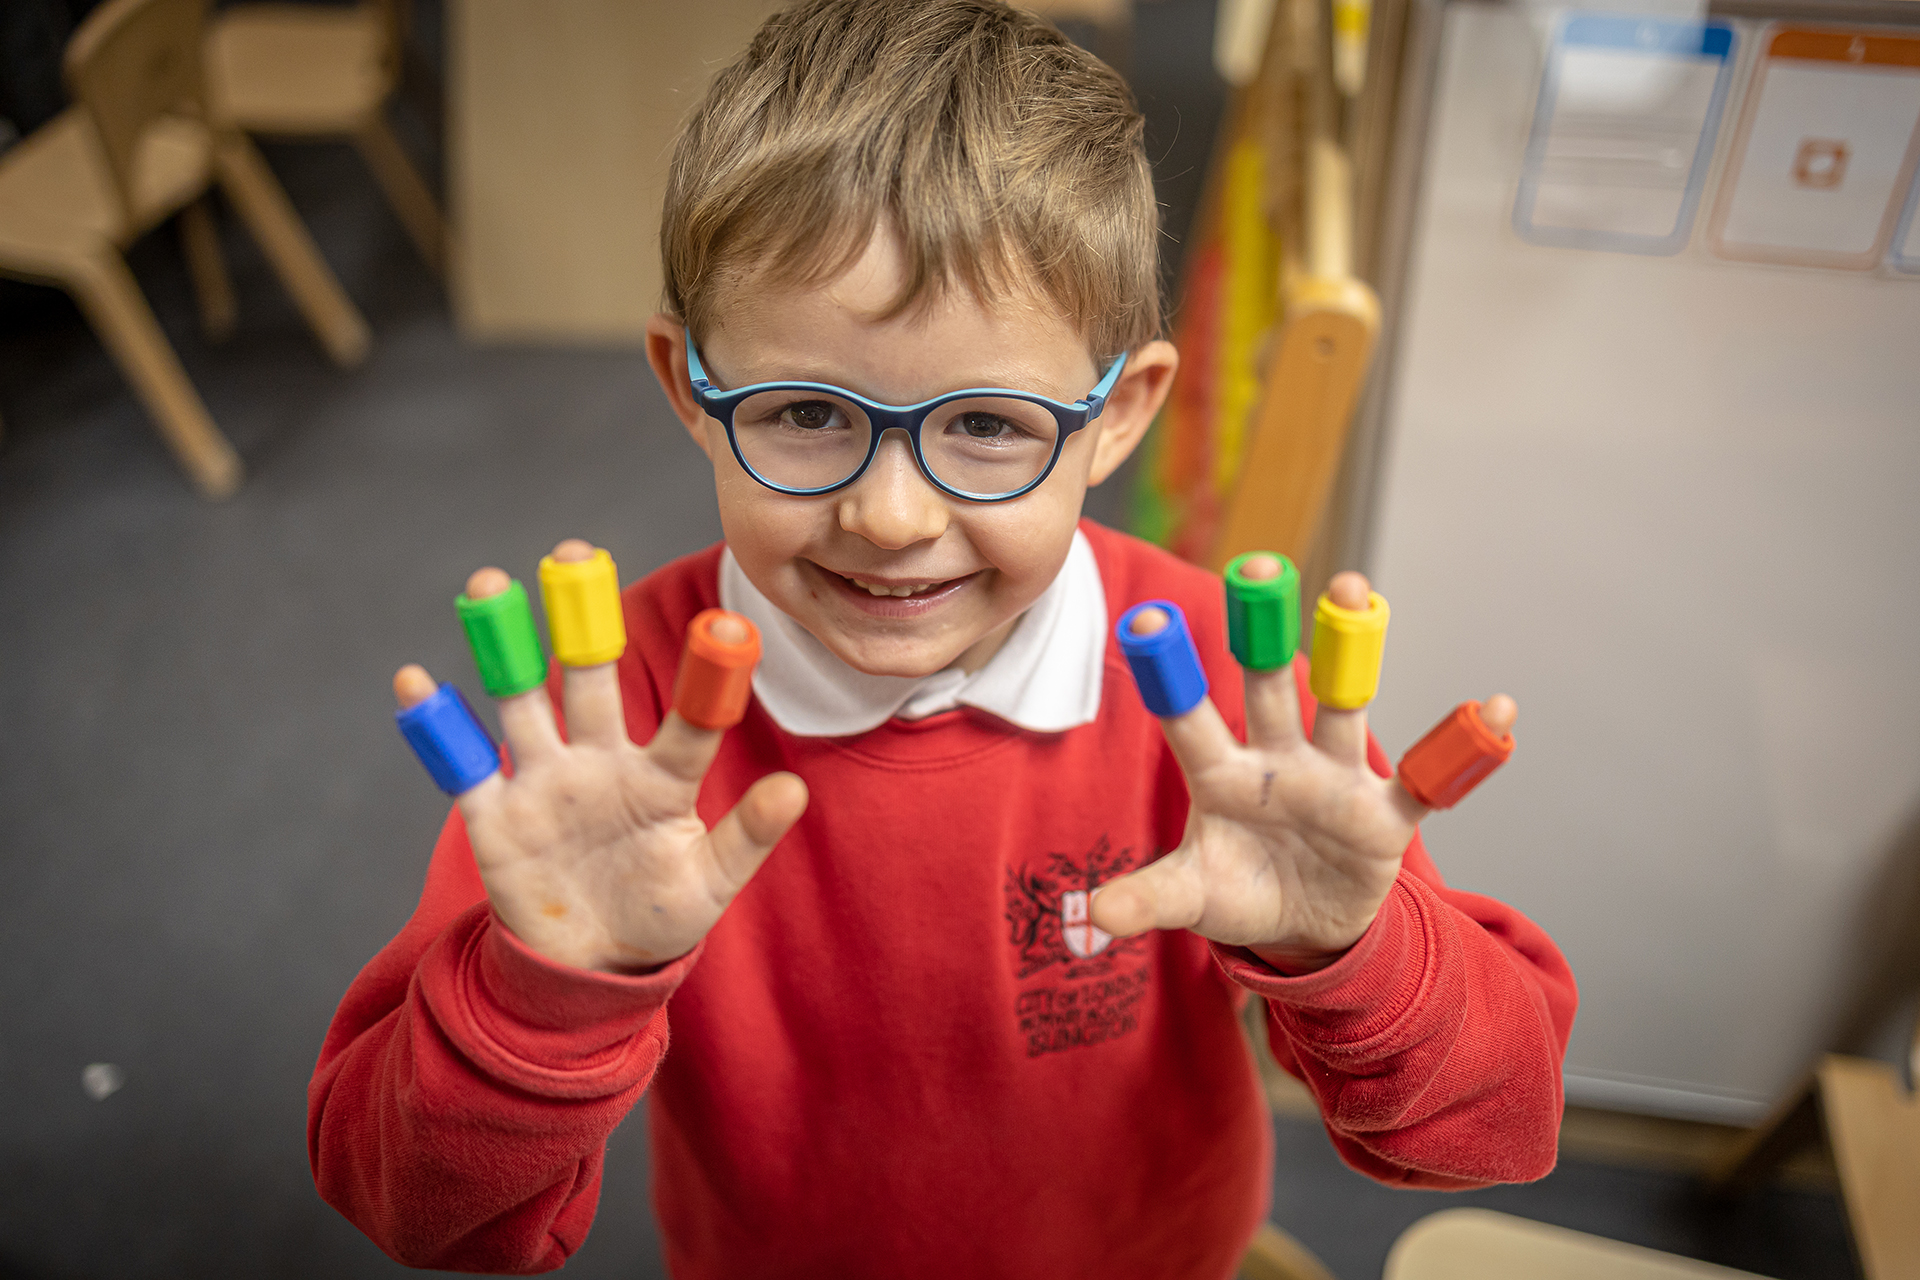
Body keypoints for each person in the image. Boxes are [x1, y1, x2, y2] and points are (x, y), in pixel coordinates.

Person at [308, 2, 1577, 1275]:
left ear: (1117, 415)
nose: (891, 515)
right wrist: (543, 998)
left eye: (985, 425)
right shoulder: (610, 734)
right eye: (805, 410)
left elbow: (1493, 1135)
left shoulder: (1198, 681)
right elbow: (420, 1213)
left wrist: (1352, 950)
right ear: (691, 388)